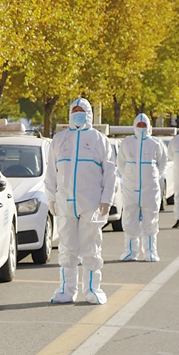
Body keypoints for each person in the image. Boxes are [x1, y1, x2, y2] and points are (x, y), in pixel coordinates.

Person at [45, 98, 115, 304]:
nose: (78, 114)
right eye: (74, 110)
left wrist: (106, 199)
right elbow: (51, 172)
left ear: (89, 114)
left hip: (91, 204)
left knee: (91, 248)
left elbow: (110, 172)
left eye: (81, 110)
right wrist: (51, 198)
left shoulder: (99, 140)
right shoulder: (59, 140)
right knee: (67, 248)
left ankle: (93, 289)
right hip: (65, 204)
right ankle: (66, 290)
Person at [117, 113, 168, 262]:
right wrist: (130, 178)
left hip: (149, 190)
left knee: (151, 221)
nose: (141, 128)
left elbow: (162, 164)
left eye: (143, 125)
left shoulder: (156, 144)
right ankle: (131, 251)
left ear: (148, 126)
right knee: (129, 220)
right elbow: (121, 164)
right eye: (138, 125)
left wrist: (151, 177)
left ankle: (151, 251)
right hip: (131, 190)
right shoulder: (127, 143)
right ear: (134, 126)